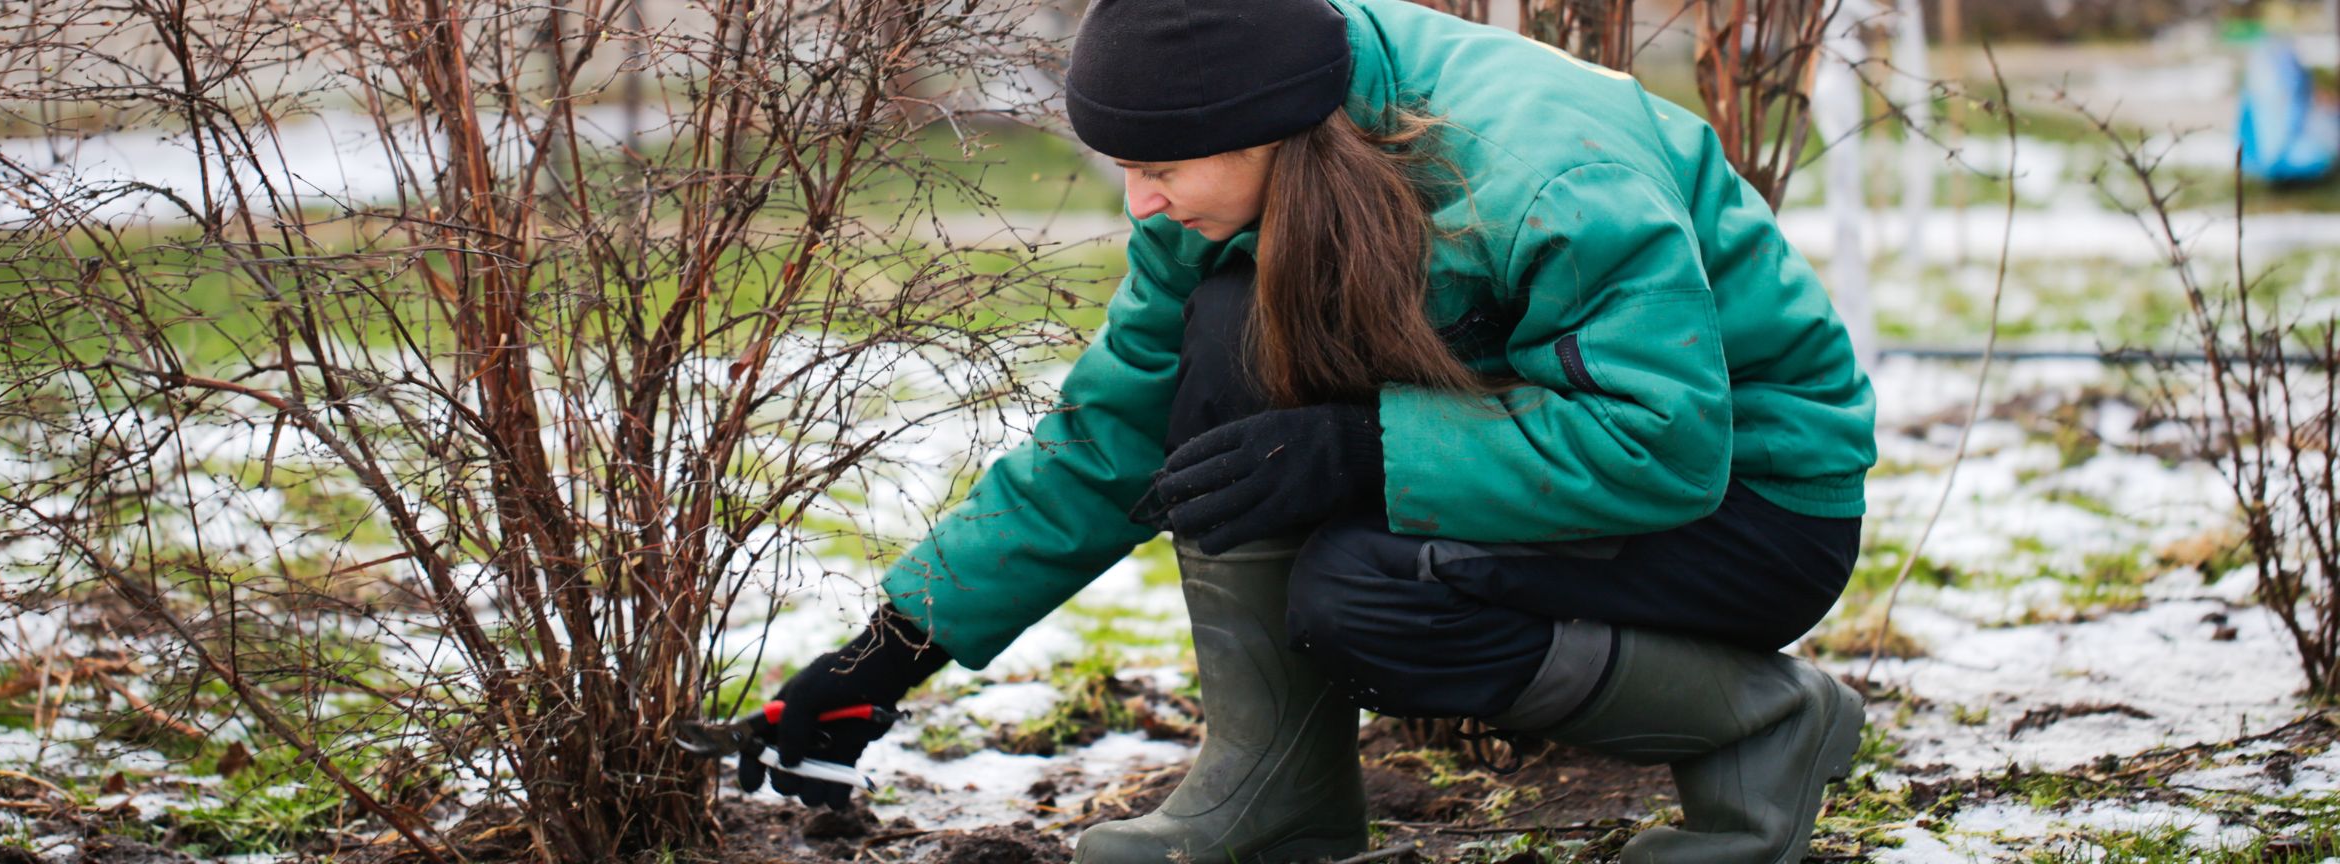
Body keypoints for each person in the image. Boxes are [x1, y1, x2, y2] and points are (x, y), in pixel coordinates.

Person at [734, 0, 1878, 861]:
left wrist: (1362, 448)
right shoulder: (1261, 151)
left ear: (1270, 134)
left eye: (1158, 170)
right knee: (1226, 338)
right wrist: (889, 653)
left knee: (1365, 597)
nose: (1141, 204)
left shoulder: (1545, 174)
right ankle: (1279, 792)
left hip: (1753, 509)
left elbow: (1663, 443)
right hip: (1554, 470)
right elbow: (1112, 435)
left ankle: (1763, 725)